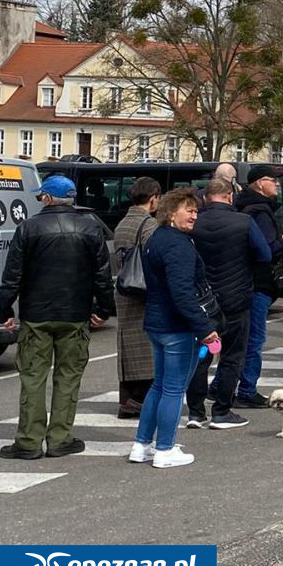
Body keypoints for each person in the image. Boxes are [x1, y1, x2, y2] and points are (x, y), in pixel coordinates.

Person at [0, 175, 114, 460]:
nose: (39, 200)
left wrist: (4, 311)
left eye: (41, 196)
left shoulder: (28, 228)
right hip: (75, 315)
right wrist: (103, 310)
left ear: (48, 198)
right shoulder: (90, 229)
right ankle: (60, 438)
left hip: (36, 315)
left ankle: (29, 441)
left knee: (33, 378)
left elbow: (12, 276)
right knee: (68, 377)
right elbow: (102, 275)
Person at [133, 189, 219, 468]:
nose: (194, 216)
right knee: (173, 389)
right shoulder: (178, 245)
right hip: (177, 327)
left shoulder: (156, 238)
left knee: (159, 386)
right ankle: (165, 449)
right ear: (171, 213)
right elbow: (182, 293)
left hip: (157, 323)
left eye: (196, 211)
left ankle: (142, 444)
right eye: (189, 210)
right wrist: (204, 328)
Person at [186, 178, 272, 429]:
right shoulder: (244, 221)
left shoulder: (195, 222)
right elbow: (264, 255)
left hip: (203, 300)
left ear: (205, 198)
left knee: (201, 355)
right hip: (236, 297)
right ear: (230, 196)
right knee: (232, 355)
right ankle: (221, 410)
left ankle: (195, 412)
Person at [234, 165, 283, 409]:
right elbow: (266, 251)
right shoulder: (260, 213)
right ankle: (246, 389)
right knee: (254, 339)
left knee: (239, 339)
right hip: (258, 282)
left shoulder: (243, 207)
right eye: (273, 180)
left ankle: (221, 385)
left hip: (242, 281)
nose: (278, 184)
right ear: (260, 183)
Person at [114, 176, 162, 418]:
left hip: (125, 288)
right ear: (153, 198)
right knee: (146, 349)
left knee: (128, 346)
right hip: (143, 290)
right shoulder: (149, 225)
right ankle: (138, 400)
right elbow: (154, 259)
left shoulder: (123, 223)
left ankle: (127, 398)